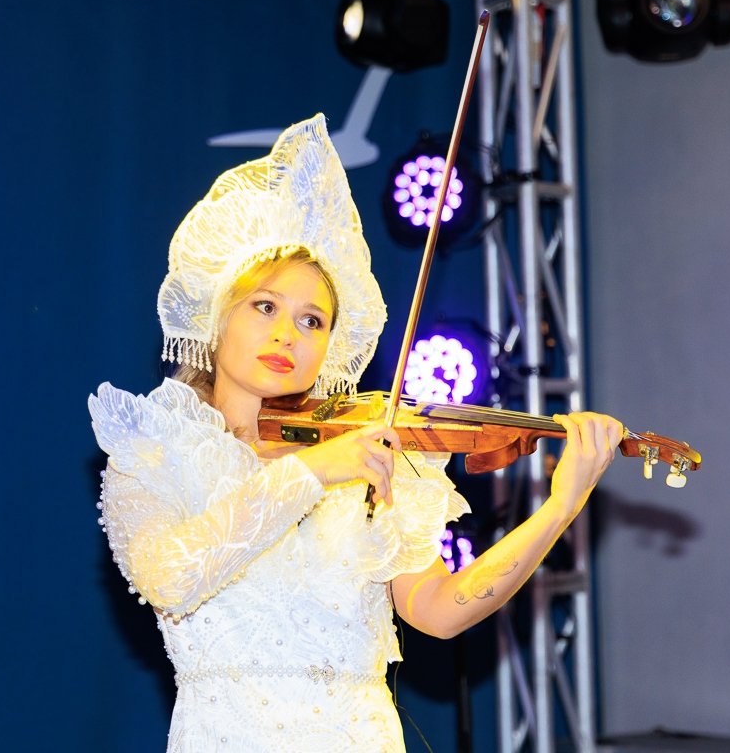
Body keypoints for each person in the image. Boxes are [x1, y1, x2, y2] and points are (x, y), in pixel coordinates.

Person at [90, 114, 622, 752]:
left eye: (312, 321)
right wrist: (313, 471)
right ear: (217, 316)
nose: (287, 334)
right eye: (265, 306)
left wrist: (560, 509)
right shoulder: (156, 453)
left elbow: (441, 611)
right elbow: (170, 577)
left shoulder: (371, 453)